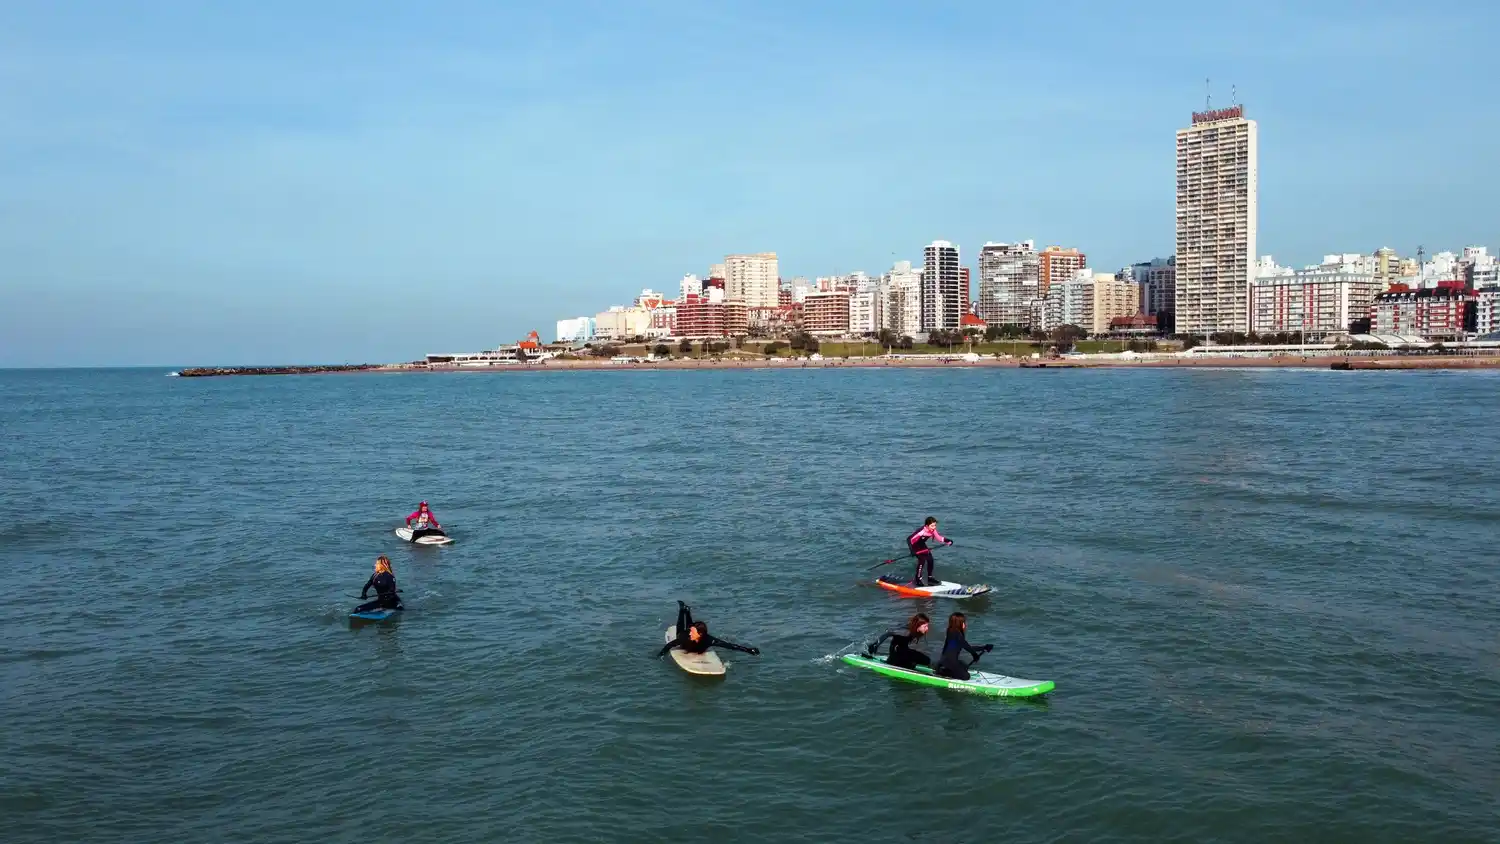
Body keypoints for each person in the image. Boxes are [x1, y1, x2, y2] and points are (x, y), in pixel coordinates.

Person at [658, 601, 760, 658]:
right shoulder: (685, 638)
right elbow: (669, 645)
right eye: (691, 631)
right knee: (680, 629)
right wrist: (660, 656)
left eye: (692, 632)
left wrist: (748, 650)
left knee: (689, 627)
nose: (690, 633)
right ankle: (683, 610)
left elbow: (729, 646)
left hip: (694, 642)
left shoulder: (709, 640)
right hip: (683, 638)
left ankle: (686, 610)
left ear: (701, 634)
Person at [934, 612, 992, 681]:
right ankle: (943, 672)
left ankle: (942, 668)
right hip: (950, 662)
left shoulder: (950, 632)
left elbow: (960, 646)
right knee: (966, 676)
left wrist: (983, 648)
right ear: (959, 624)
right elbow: (968, 647)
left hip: (944, 660)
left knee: (965, 667)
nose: (965, 624)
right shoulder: (958, 636)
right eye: (963, 622)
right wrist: (976, 654)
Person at [865, 612, 931, 669]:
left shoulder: (914, 629)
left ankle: (906, 663)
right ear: (918, 625)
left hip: (903, 650)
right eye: (925, 626)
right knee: (912, 663)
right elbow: (888, 632)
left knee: (927, 660)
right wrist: (875, 645)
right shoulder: (906, 632)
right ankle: (896, 662)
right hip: (896, 653)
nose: (927, 629)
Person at [906, 516, 952, 586]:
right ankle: (918, 579)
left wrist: (948, 540)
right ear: (927, 526)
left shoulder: (933, 530)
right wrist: (912, 551)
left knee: (930, 560)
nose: (934, 527)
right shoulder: (922, 531)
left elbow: (939, 538)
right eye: (932, 526)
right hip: (914, 546)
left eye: (935, 525)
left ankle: (930, 578)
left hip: (922, 545)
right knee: (922, 560)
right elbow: (909, 539)